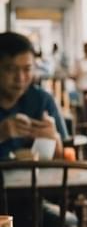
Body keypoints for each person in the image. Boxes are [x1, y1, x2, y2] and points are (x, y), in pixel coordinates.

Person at [0, 32, 66, 162]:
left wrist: (54, 140)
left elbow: (64, 160)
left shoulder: (43, 100)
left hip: (37, 180)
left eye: (27, 69)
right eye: (11, 69)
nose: (20, 78)